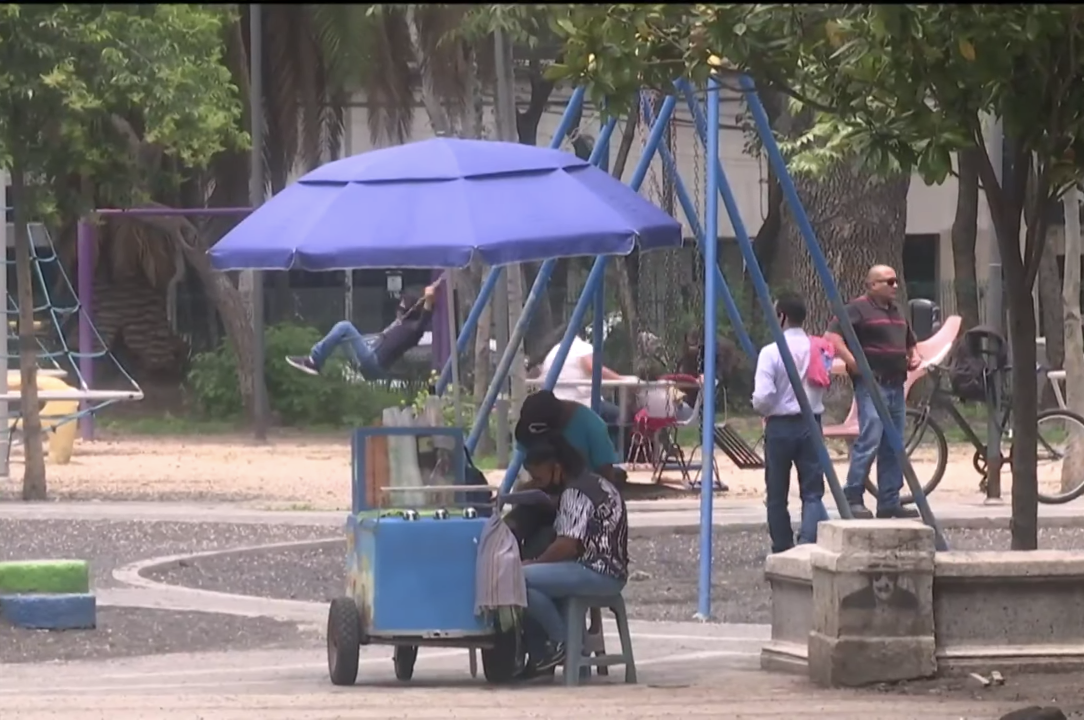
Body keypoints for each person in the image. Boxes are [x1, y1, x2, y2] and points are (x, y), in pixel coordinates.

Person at [517, 434, 629, 674]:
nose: (538, 484)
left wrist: (534, 563)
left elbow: (567, 545)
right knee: (532, 585)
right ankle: (575, 655)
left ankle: (563, 644)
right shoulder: (596, 483)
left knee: (517, 579)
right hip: (611, 570)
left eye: (540, 477)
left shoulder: (575, 493)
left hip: (596, 570)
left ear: (557, 469)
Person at [825, 265, 921, 520]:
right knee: (870, 437)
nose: (894, 286)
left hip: (895, 383)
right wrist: (852, 360)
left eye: (895, 281)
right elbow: (832, 337)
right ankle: (853, 495)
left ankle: (889, 500)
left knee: (894, 444)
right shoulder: (856, 309)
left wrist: (914, 355)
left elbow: (910, 341)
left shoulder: (897, 312)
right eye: (888, 282)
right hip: (872, 383)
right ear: (872, 285)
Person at [751, 290, 830, 553]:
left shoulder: (771, 352)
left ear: (781, 317)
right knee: (812, 489)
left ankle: (782, 544)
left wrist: (763, 407)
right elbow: (823, 381)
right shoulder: (819, 348)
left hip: (780, 426)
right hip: (812, 421)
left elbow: (763, 396)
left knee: (776, 492)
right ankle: (808, 541)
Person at [286, 282, 438, 379]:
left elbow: (422, 324)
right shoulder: (400, 322)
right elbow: (401, 310)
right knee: (341, 335)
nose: (400, 307)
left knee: (344, 326)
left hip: (374, 363)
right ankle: (326, 364)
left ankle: (314, 361)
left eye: (404, 303)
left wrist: (429, 301)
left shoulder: (412, 330)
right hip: (368, 357)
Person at [539, 334, 627, 434]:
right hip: (580, 403)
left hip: (553, 403)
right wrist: (620, 379)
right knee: (620, 416)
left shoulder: (553, 352)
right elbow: (592, 367)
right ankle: (610, 447)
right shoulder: (581, 347)